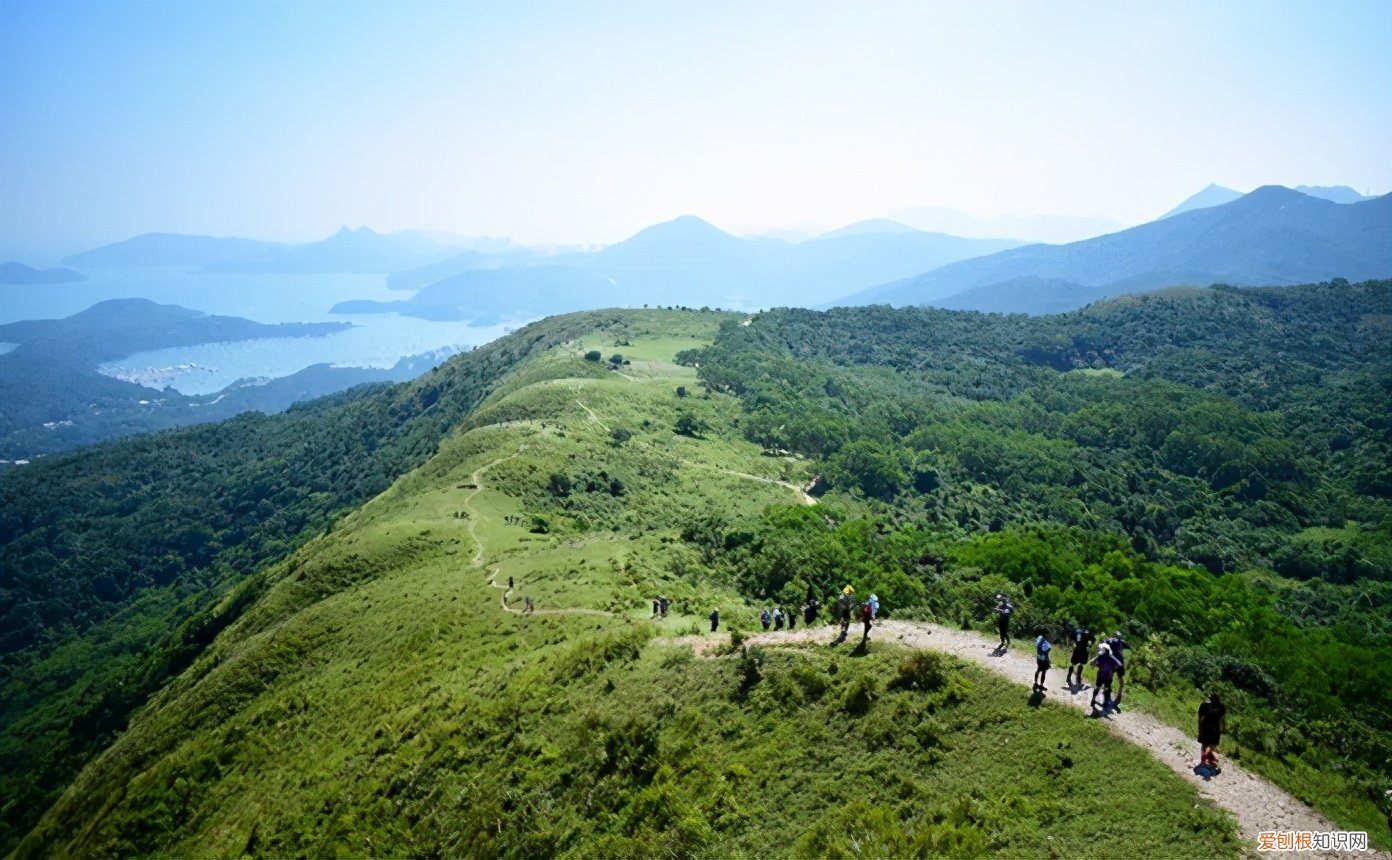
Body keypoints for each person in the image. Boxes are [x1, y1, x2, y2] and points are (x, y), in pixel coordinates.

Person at [1197, 693, 1227, 771]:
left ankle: (1204, 762)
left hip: (1206, 728)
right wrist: (1224, 728)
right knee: (1211, 746)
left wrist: (1200, 729)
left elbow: (1200, 719)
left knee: (1205, 745)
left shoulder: (1204, 706)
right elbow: (1223, 720)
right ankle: (1208, 762)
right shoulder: (1221, 708)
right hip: (1215, 730)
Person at [1090, 643, 1121, 712]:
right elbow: (1118, 665)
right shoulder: (1112, 658)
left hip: (1101, 675)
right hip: (1108, 677)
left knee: (1097, 687)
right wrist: (1113, 668)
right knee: (1106, 689)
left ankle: (1093, 699)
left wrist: (1096, 664)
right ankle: (1105, 703)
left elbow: (1092, 663)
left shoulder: (1101, 656)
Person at [1105, 630, 1129, 708]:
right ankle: (1119, 693)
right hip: (1119, 663)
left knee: (1110, 677)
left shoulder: (1109, 640)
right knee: (1120, 679)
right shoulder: (1122, 642)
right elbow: (1129, 647)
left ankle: (1109, 691)